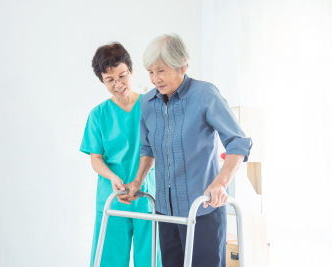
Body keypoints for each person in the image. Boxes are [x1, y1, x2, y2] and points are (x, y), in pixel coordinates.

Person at [121, 33, 252, 267]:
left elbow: (238, 143)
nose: (155, 79)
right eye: (150, 71)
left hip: (202, 209)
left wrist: (221, 182)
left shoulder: (205, 94)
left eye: (161, 70)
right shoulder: (147, 102)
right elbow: (147, 148)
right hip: (165, 211)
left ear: (182, 65)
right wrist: (137, 181)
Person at [79, 42, 162, 267]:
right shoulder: (98, 115)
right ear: (102, 81)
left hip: (146, 196)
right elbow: (95, 158)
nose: (118, 84)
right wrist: (113, 178)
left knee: (151, 261)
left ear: (132, 71)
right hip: (112, 198)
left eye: (123, 76)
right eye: (110, 80)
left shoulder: (150, 106)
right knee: (109, 261)